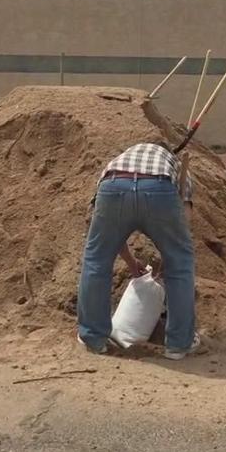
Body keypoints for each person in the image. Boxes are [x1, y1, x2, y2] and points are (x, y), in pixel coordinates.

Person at [76, 142, 199, 360]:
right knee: (181, 264)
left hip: (113, 185)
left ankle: (94, 338)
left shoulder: (119, 160)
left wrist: (131, 262)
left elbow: (107, 237)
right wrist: (170, 256)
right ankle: (179, 345)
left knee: (97, 260)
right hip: (159, 190)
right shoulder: (176, 167)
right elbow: (184, 225)